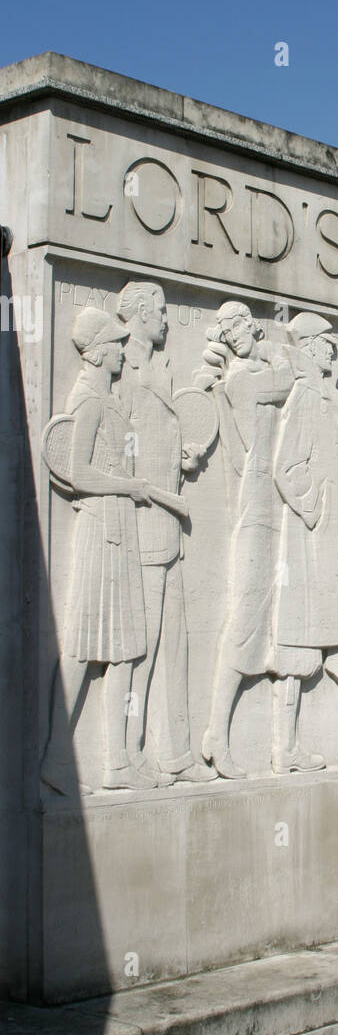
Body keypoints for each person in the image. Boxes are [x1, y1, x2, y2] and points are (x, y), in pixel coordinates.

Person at [41, 308, 156, 795]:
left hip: (119, 529)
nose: (122, 350)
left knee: (125, 652)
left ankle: (116, 763)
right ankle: (55, 757)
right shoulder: (88, 400)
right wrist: (128, 486)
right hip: (100, 530)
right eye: (116, 344)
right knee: (84, 648)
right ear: (96, 351)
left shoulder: (110, 399)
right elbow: (77, 472)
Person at [116, 280, 215, 783]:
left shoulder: (161, 367)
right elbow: (115, 439)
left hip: (167, 524)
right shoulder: (122, 366)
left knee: (174, 642)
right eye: (158, 309)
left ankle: (175, 753)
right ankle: (127, 755)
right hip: (143, 522)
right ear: (134, 314)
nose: (165, 319)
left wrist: (181, 457)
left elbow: (154, 434)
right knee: (143, 644)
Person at [197, 302, 301, 778]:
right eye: (226, 329)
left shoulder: (253, 368)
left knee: (284, 623)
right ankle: (216, 733)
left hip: (278, 506)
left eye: (238, 323)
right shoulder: (242, 379)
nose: (234, 333)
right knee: (246, 620)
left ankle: (287, 746)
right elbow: (284, 382)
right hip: (257, 507)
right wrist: (281, 341)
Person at [273, 313, 338, 766]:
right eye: (327, 345)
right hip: (315, 542)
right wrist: (318, 509)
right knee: (300, 647)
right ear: (311, 348)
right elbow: (287, 468)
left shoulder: (328, 398)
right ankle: (285, 746)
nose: (333, 351)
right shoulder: (305, 397)